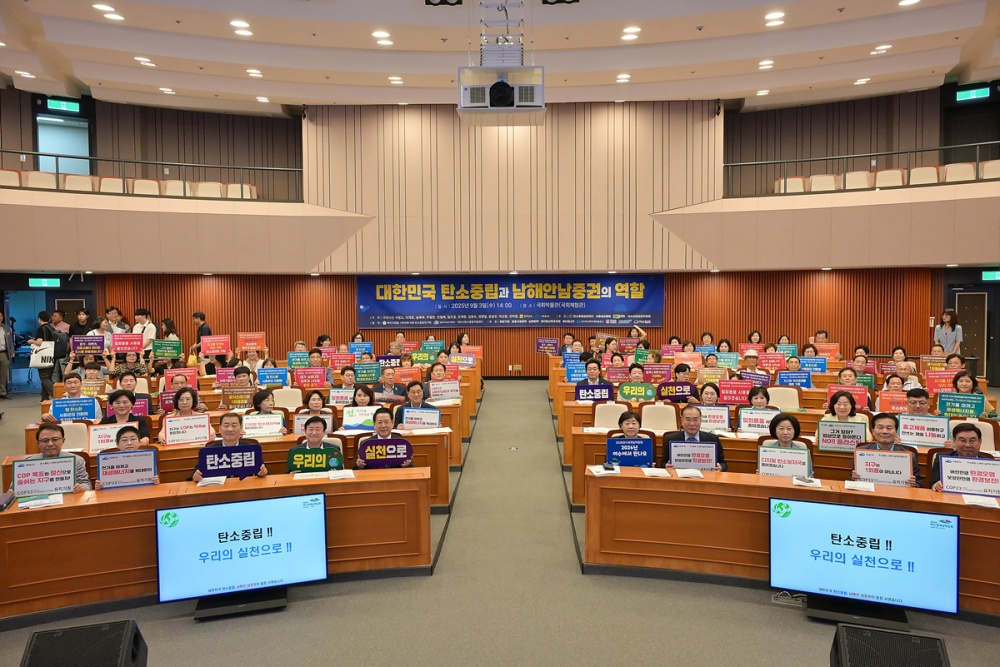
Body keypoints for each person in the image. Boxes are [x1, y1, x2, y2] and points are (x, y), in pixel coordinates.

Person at [11, 424, 91, 493]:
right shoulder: (28, 464)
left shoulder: (77, 461)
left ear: (63, 441)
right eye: (45, 440)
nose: (50, 444)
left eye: (55, 439)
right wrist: (12, 493)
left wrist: (82, 488)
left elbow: (87, 484)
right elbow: (13, 489)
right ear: (38, 444)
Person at [192, 412, 268, 482]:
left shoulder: (251, 449)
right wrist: (196, 476)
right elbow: (196, 473)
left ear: (241, 428)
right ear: (220, 429)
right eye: (226, 426)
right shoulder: (209, 450)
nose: (230, 429)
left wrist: (262, 472)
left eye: (234, 425)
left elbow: (262, 471)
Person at [853, 413, 922, 487]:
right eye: (880, 428)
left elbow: (919, 483)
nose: (884, 431)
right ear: (873, 431)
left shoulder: (909, 456)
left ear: (896, 431)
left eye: (889, 428)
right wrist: (854, 478)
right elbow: (852, 480)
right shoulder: (860, 453)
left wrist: (913, 484)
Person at [930, 423, 994, 491]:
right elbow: (932, 485)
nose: (967, 445)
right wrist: (936, 486)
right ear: (954, 441)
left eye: (972, 441)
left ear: (980, 442)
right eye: (963, 440)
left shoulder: (990, 464)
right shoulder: (941, 459)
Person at [663, 405, 726, 471]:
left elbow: (723, 464)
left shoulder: (713, 439)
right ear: (682, 421)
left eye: (695, 420)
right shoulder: (671, 439)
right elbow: (663, 463)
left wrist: (720, 467)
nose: (692, 424)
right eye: (688, 420)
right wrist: (666, 466)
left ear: (700, 420)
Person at [94, 426, 160, 490]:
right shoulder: (108, 461)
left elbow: (154, 485)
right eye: (124, 440)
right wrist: (99, 486)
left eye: (133, 439)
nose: (129, 443)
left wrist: (155, 481)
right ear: (117, 444)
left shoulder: (148, 458)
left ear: (139, 442)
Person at [32, 311, 60, 402]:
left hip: (43, 356)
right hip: (52, 355)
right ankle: (44, 397)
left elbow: (39, 342)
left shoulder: (41, 328)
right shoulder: (52, 328)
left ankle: (57, 395)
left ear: (39, 319)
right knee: (48, 376)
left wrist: (31, 341)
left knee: (45, 377)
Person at [0, 312, 13, 399]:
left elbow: (10, 340)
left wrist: (12, 351)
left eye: (1, 316)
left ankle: (2, 392)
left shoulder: (6, 327)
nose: (0, 318)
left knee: (3, 374)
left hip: (4, 352)